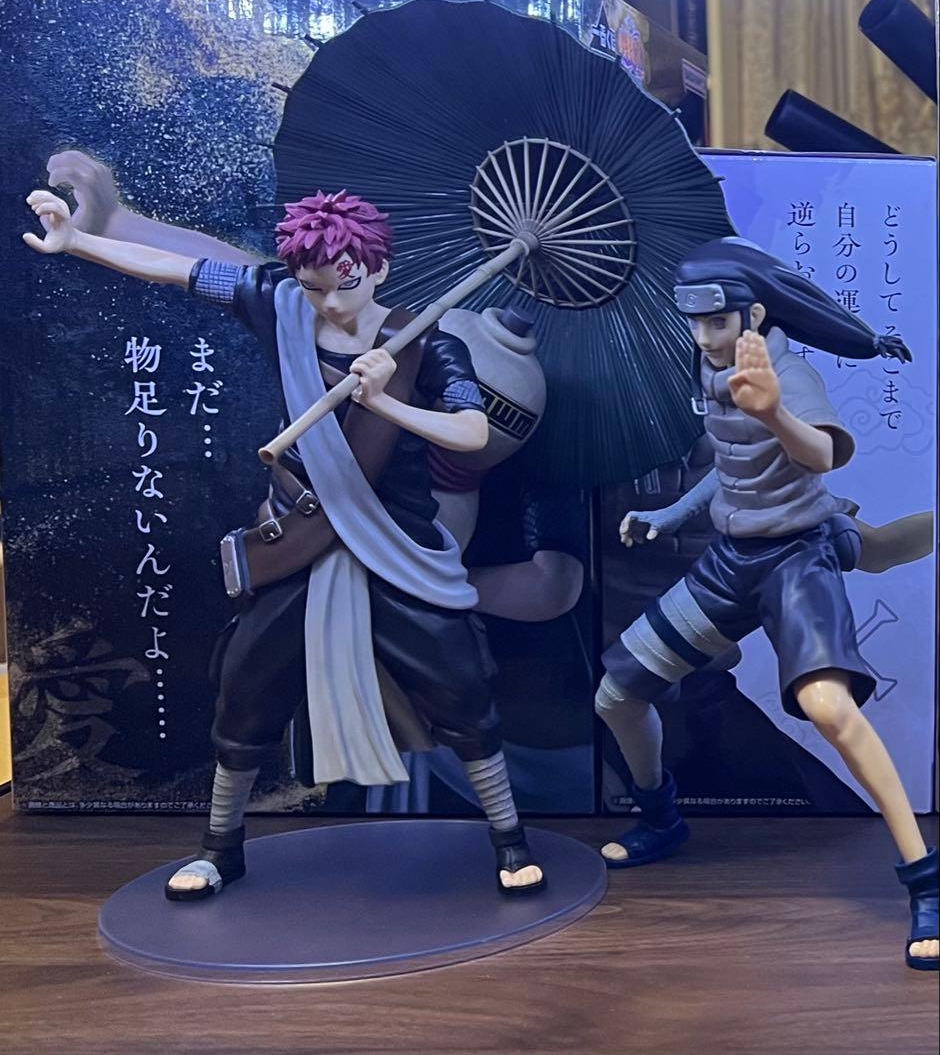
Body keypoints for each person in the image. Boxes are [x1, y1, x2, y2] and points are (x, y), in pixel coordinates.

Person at [24, 187, 546, 900]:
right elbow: (177, 268)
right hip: (296, 539)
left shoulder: (428, 343)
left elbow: (473, 433)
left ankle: (510, 841)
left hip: (396, 545)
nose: (330, 304)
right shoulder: (281, 305)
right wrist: (79, 242)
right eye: (315, 288)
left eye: (345, 284)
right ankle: (220, 849)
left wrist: (387, 401)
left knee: (461, 687)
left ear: (378, 267)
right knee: (246, 689)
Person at [594, 237, 938, 971]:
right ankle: (661, 817)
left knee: (829, 707)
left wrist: (776, 411)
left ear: (751, 315)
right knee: (617, 693)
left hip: (796, 558)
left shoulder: (786, 372)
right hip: (732, 561)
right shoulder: (711, 365)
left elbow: (821, 454)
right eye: (695, 322)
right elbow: (732, 464)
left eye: (716, 322)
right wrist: (670, 516)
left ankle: (926, 879)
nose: (703, 337)